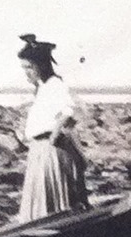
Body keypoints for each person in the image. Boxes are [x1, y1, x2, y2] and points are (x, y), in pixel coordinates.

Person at [17, 34, 89, 221]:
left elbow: (67, 112)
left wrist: (54, 135)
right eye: (24, 68)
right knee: (41, 200)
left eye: (29, 67)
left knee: (51, 202)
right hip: (39, 149)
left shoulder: (55, 85)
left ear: (40, 66)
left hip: (50, 149)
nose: (26, 72)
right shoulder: (43, 88)